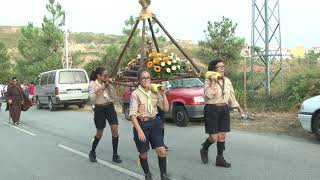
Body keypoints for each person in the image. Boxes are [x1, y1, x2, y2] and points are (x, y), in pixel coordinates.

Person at [200, 59, 245, 168]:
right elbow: (209, 95)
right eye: (219, 67)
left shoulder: (227, 81)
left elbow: (231, 96)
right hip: (211, 109)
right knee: (214, 137)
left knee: (222, 136)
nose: (222, 69)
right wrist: (214, 81)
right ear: (213, 69)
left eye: (223, 67)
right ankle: (204, 148)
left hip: (224, 109)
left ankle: (219, 159)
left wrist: (239, 109)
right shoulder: (208, 80)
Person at [129, 70, 170, 180]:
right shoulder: (135, 94)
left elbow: (165, 108)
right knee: (144, 153)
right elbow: (132, 115)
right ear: (139, 80)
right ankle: (147, 173)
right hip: (141, 124)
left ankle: (164, 175)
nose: (146, 80)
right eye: (143, 78)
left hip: (155, 122)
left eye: (148, 77)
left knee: (161, 150)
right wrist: (139, 131)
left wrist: (164, 94)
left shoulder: (155, 91)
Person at [88, 67, 122, 163]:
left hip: (109, 107)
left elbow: (114, 97)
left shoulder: (107, 83)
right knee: (99, 133)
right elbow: (92, 99)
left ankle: (115, 155)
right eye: (105, 76)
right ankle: (92, 151)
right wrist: (101, 88)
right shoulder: (92, 84)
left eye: (107, 75)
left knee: (115, 129)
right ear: (98, 76)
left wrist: (109, 86)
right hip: (99, 109)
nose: (107, 77)